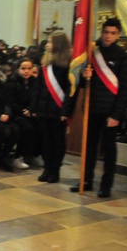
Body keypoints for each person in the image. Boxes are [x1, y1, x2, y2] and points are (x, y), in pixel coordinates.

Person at [71, 18, 127, 197]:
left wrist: (116, 115)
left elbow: (125, 91)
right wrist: (85, 77)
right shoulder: (93, 53)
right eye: (106, 32)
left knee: (108, 150)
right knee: (89, 147)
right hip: (92, 109)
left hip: (111, 112)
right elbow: (84, 86)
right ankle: (86, 180)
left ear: (118, 35)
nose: (108, 36)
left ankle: (106, 185)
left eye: (113, 33)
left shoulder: (125, 58)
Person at [32, 32, 74, 184]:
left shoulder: (67, 65)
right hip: (44, 109)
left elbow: (71, 91)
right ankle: (47, 168)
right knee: (46, 141)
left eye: (50, 42)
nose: (47, 44)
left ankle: (55, 170)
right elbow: (38, 87)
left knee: (57, 141)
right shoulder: (46, 64)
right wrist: (34, 107)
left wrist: (66, 111)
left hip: (58, 109)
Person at [8, 58, 41, 168]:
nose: (26, 71)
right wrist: (23, 112)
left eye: (29, 68)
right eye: (23, 68)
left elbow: (36, 98)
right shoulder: (12, 81)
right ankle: (18, 156)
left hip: (30, 112)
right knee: (26, 128)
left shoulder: (35, 82)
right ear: (18, 69)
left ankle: (34, 155)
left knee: (40, 125)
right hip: (15, 113)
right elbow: (11, 101)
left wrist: (31, 110)